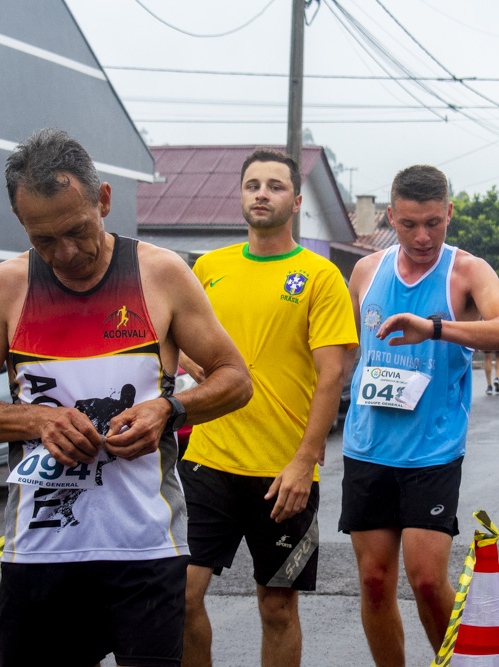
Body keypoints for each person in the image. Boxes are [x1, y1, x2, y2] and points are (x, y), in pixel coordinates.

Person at [0, 128, 252, 666]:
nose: (66, 253)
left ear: (103, 199)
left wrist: (168, 409)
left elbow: (235, 379)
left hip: (145, 551)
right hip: (39, 554)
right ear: (22, 225)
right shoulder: (7, 285)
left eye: (77, 230)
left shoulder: (160, 274)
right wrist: (36, 421)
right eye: (43, 240)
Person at [177, 149, 358, 667]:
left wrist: (306, 461)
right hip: (207, 460)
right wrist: (195, 367)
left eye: (275, 186)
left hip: (283, 472)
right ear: (240, 195)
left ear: (296, 201)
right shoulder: (209, 268)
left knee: (277, 605)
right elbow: (177, 335)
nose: (262, 193)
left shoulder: (319, 276)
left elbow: (331, 374)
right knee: (181, 595)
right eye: (252, 184)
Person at [339, 165, 499, 665]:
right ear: (389, 217)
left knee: (425, 581)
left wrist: (436, 328)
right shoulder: (365, 272)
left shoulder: (467, 270)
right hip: (367, 445)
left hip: (432, 450)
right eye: (408, 224)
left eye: (433, 223)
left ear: (449, 213)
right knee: (375, 582)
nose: (422, 236)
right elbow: (344, 354)